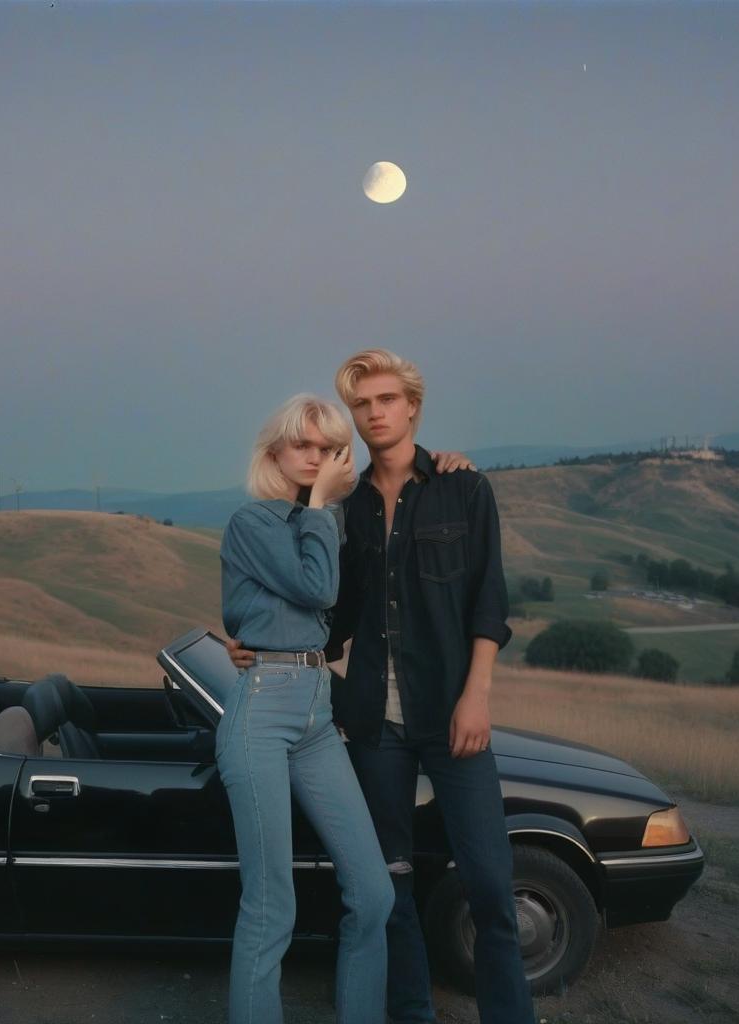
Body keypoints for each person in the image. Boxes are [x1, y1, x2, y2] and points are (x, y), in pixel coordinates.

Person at [230, 351, 534, 1024]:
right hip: (373, 731)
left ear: (412, 407)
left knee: (489, 888)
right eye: (364, 404)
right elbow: (331, 617)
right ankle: (410, 1014)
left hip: (453, 718)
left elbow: (489, 602)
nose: (376, 413)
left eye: (388, 399)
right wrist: (255, 638)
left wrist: (476, 695)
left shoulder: (463, 487)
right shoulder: (347, 509)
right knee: (388, 888)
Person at [215, 393, 394, 1024]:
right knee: (270, 904)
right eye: (303, 446)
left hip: (317, 714)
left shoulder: (317, 521)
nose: (316, 458)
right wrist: (323, 505)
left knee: (374, 892)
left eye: (328, 448)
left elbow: (329, 611)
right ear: (276, 452)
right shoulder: (253, 523)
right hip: (261, 713)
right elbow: (315, 587)